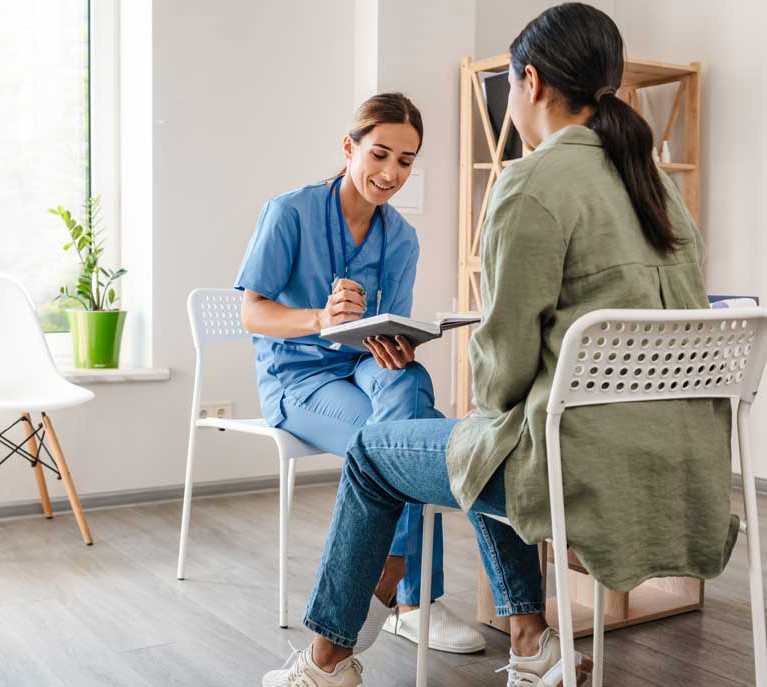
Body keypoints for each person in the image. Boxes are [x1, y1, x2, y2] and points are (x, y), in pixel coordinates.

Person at [263, 4, 736, 686]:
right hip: (681, 462)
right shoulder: (658, 185)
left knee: (386, 449)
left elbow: (503, 378)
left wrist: (490, 344)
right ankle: (531, 639)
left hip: (577, 464)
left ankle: (323, 664)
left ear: (531, 82)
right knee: (482, 438)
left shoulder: (531, 180)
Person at [235, 93, 486, 653]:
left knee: (410, 388)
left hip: (360, 370)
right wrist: (319, 317)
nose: (390, 172)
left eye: (405, 161)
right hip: (299, 382)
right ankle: (411, 596)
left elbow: (381, 331)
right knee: (410, 435)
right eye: (379, 154)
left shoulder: (401, 238)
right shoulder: (290, 213)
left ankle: (392, 574)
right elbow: (251, 311)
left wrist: (395, 346)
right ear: (349, 147)